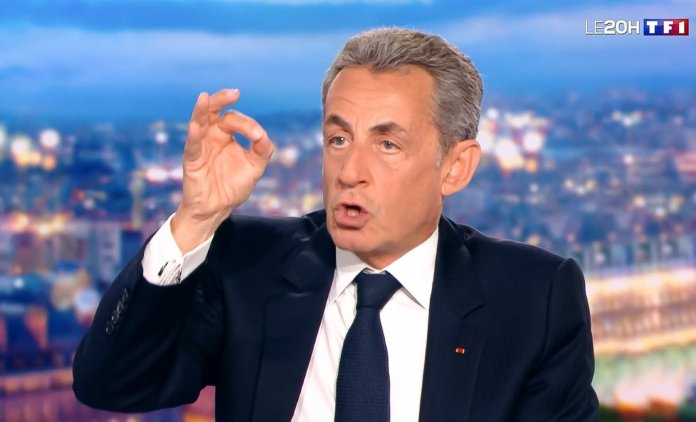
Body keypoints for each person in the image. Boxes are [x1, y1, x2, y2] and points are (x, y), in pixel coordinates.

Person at [73, 27, 599, 421]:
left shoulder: (534, 298)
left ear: (455, 167)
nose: (350, 172)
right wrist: (196, 219)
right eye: (338, 139)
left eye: (387, 144)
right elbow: (111, 384)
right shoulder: (248, 266)